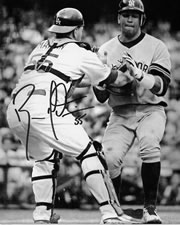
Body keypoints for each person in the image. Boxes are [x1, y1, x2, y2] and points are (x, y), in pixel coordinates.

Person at [6, 7, 140, 224]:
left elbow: (68, 76)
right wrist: (128, 73)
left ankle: (42, 215)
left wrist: (95, 73)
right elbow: (117, 80)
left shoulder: (40, 47)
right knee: (90, 153)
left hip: (16, 110)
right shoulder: (81, 52)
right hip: (44, 108)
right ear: (77, 30)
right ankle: (109, 214)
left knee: (44, 159)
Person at [93, 0, 171, 223]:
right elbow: (100, 97)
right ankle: (114, 212)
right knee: (110, 157)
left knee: (149, 144)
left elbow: (161, 87)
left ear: (142, 19)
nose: (130, 18)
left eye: (135, 15)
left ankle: (150, 209)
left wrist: (139, 75)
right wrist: (99, 80)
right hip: (121, 111)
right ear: (118, 17)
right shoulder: (106, 49)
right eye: (126, 14)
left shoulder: (157, 46)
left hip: (151, 110)